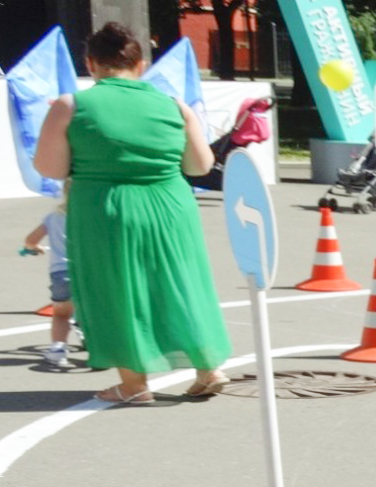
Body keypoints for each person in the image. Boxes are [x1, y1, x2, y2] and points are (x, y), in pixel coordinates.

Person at [32, 22, 230, 405]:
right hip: (170, 206)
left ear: (91, 64)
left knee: (114, 291)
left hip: (105, 208)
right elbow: (200, 165)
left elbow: (50, 168)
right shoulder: (174, 105)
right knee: (180, 284)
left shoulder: (70, 105)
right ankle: (208, 369)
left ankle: (134, 384)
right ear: (139, 65)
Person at [20, 189, 74, 368]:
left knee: (61, 314)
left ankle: (58, 350)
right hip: (88, 272)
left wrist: (35, 247)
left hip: (61, 273)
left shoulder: (54, 217)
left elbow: (30, 240)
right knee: (94, 312)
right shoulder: (92, 216)